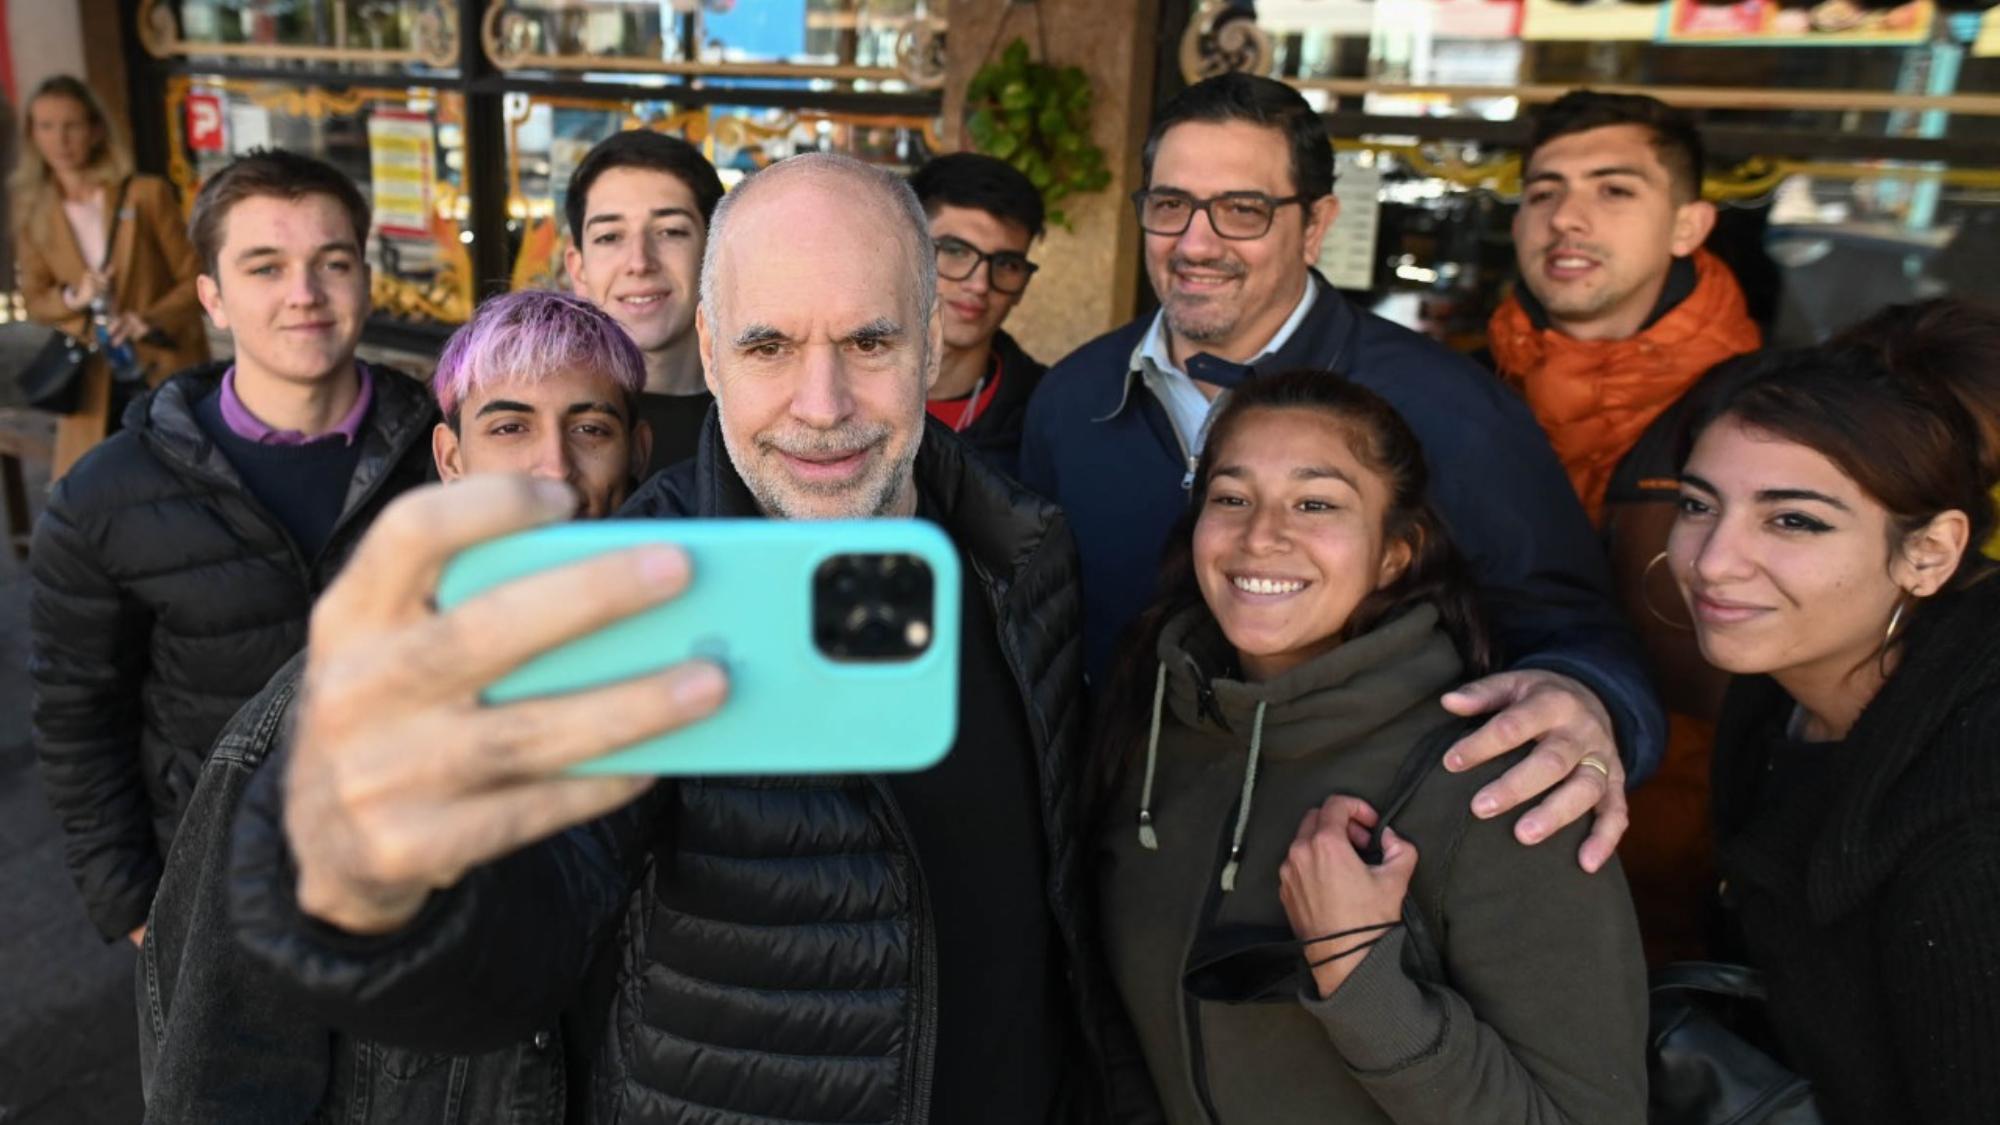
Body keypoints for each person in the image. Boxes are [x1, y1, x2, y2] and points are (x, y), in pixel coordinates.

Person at [225, 154, 1152, 1124]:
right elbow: (521, 939)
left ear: (929, 342)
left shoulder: (1024, 547)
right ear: (709, 353)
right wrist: (369, 889)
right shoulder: (632, 594)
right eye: (767, 348)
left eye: (869, 342)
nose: (823, 404)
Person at [1020, 72, 1663, 872]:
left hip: (1359, 876)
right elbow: (1038, 643)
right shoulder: (1072, 399)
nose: (1194, 241)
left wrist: (1586, 697)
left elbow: (1573, 629)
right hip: (1125, 860)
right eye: (1170, 204)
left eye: (1243, 210)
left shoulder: (1448, 409)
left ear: (1317, 223)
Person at [138, 289, 651, 1124]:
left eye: (589, 429)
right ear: (451, 458)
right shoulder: (321, 719)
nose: (552, 467)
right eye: (510, 427)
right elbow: (219, 1076)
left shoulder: (680, 697)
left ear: (636, 448)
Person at [1097, 370, 1647, 1123]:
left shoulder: (1499, 783)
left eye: (1316, 502)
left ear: (1395, 552)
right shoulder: (1150, 730)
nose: (1261, 534)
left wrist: (1360, 973)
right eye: (1231, 497)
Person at [28, 150, 436, 946]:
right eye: (264, 267)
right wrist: (138, 907)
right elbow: (77, 714)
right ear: (211, 296)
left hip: (420, 887)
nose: (304, 294)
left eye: (332, 262)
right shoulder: (105, 494)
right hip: (211, 904)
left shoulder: (446, 457)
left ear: (365, 276)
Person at [1666, 345, 2000, 1123]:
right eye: (1696, 504)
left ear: (1928, 553)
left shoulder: (1972, 835)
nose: (1715, 562)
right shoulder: (1775, 686)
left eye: (1793, 520)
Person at [1487, 90, 1762, 961]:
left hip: (1683, 893)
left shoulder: (1769, 417)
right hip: (1475, 850)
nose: (1566, 217)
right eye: (1542, 191)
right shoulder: (1459, 394)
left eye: (1613, 190)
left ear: (1690, 224)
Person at [10, 75, 208, 476]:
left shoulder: (145, 194)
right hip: (92, 380)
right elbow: (34, 299)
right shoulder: (34, 212)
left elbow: (198, 279)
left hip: (163, 365)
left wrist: (148, 318)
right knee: (98, 495)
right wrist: (73, 298)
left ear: (96, 129)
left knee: (185, 483)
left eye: (71, 125)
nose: (59, 140)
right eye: (45, 126)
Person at [562, 129, 723, 479]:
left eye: (670, 232)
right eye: (609, 237)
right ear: (579, 269)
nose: (639, 262)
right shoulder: (541, 424)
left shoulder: (764, 415)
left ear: (716, 256)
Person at [909, 152, 1047, 476]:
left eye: (1007, 264)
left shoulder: (1049, 410)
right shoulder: (829, 388)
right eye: (956, 251)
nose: (980, 284)